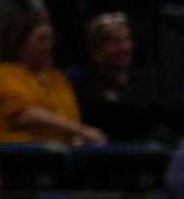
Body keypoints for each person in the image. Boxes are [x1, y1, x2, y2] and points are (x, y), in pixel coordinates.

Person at [0, 10, 102, 146]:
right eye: (42, 39)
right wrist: (81, 130)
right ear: (20, 43)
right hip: (12, 154)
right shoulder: (0, 74)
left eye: (51, 39)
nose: (49, 46)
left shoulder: (57, 77)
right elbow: (24, 116)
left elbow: (71, 117)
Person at [75, 10, 176, 143]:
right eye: (116, 42)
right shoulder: (86, 87)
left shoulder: (150, 82)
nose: (125, 48)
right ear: (97, 52)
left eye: (126, 40)